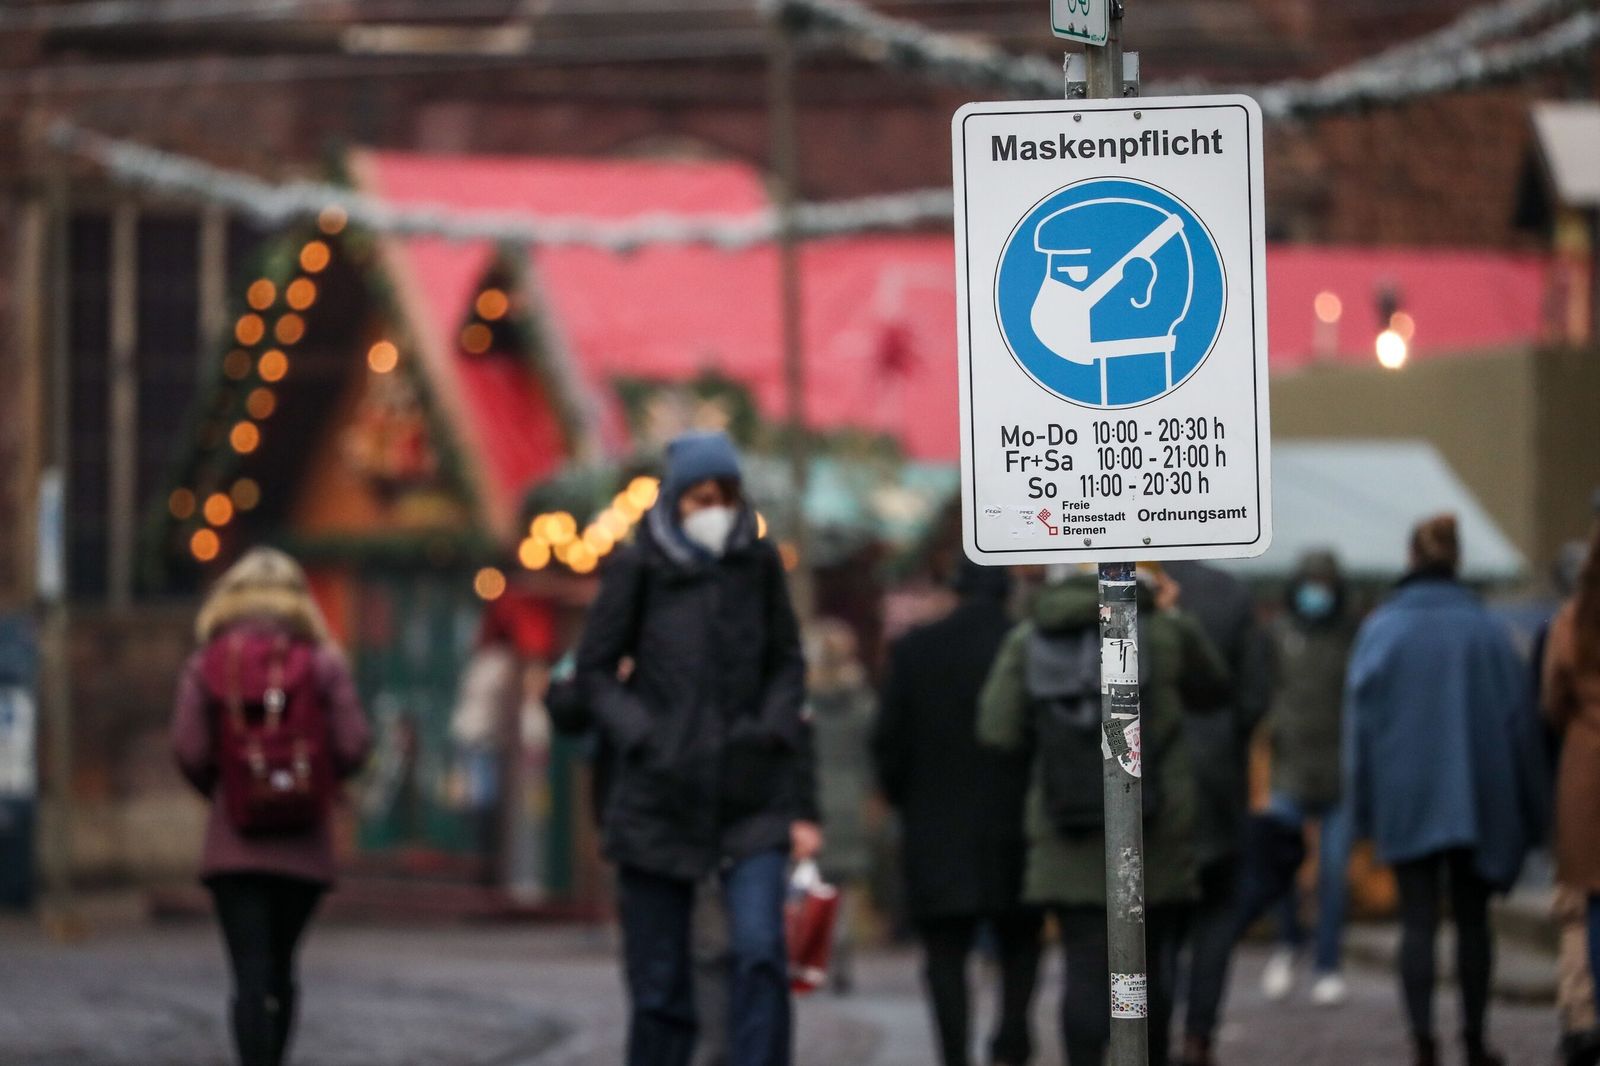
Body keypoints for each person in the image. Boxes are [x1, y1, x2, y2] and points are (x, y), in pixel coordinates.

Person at [576, 431, 821, 1066]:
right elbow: (594, 672)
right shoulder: (638, 567)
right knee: (660, 986)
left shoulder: (759, 563)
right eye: (700, 497)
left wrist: (771, 725)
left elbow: (787, 660)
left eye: (725, 496)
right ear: (676, 499)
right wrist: (644, 735)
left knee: (760, 952)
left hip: (750, 796)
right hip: (658, 796)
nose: (713, 509)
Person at [979, 564, 1229, 1066]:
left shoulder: (1029, 637)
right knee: (1147, 965)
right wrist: (1171, 611)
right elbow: (1215, 689)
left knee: (1084, 967)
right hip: (1149, 830)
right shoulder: (1162, 627)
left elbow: (996, 728)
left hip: (1064, 824)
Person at [1345, 514, 1547, 1066]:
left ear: (1410, 559)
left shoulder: (1382, 629)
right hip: (1480, 798)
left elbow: (1359, 730)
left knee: (1416, 920)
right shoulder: (1490, 630)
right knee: (1474, 922)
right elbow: (1522, 725)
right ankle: (1476, 1040)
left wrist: (1360, 809)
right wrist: (1535, 813)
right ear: (1457, 561)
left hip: (1406, 795)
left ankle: (1422, 1042)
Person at [170, 547, 372, 1066]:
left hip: (233, 848)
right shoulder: (324, 663)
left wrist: (227, 791)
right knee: (283, 968)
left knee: (248, 974)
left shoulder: (207, 662)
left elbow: (188, 749)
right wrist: (316, 782)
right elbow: (353, 744)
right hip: (304, 848)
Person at [874, 562, 1042, 1066]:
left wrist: (907, 802)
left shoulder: (914, 650)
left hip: (935, 826)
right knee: (1019, 945)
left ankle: (955, 1054)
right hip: (1014, 825)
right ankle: (1011, 1042)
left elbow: (888, 743)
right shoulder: (1027, 645)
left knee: (945, 956)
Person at [1229, 550, 1358, 1011]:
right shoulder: (1278, 636)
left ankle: (1328, 964)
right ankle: (1290, 942)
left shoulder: (1349, 637)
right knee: (1278, 868)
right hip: (1289, 770)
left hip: (1339, 775)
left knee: (1333, 876)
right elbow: (1263, 693)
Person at [1161, 561, 1272, 1066]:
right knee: (1215, 911)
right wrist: (1228, 739)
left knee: (1156, 917)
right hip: (1217, 772)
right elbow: (1255, 694)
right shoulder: (1230, 593)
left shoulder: (1128, 582)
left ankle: (1154, 1032)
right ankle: (1199, 1035)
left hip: (1146, 769)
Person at [1543, 521, 1600, 1066]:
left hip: (1585, 775)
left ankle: (1584, 1015)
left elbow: (1553, 699)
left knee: (1585, 904)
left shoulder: (1574, 620)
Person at [805, 618, 876, 994]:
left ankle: (816, 954)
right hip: (851, 800)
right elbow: (873, 753)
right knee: (844, 892)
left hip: (812, 800)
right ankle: (841, 949)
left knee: (814, 887)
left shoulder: (805, 701)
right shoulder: (860, 699)